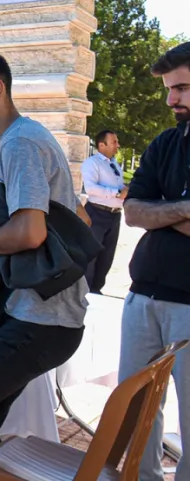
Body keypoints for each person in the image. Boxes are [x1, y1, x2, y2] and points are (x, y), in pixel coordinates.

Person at [0, 47, 89, 477]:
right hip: (48, 319)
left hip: (41, 321)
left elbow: (30, 232)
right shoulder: (29, 137)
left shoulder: (20, 142)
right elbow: (77, 216)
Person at [119, 42, 190, 481]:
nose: (171, 100)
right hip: (142, 295)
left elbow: (148, 210)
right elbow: (131, 212)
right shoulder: (165, 142)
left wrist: (163, 209)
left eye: (181, 88)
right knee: (135, 411)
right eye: (169, 89)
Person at [81, 129, 127, 294]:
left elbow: (119, 186)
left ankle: (96, 288)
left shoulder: (114, 164)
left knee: (107, 254)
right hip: (96, 212)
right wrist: (116, 193)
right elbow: (91, 188)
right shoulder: (91, 163)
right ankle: (85, 289)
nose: (118, 145)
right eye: (114, 142)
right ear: (101, 145)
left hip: (114, 215)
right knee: (91, 253)